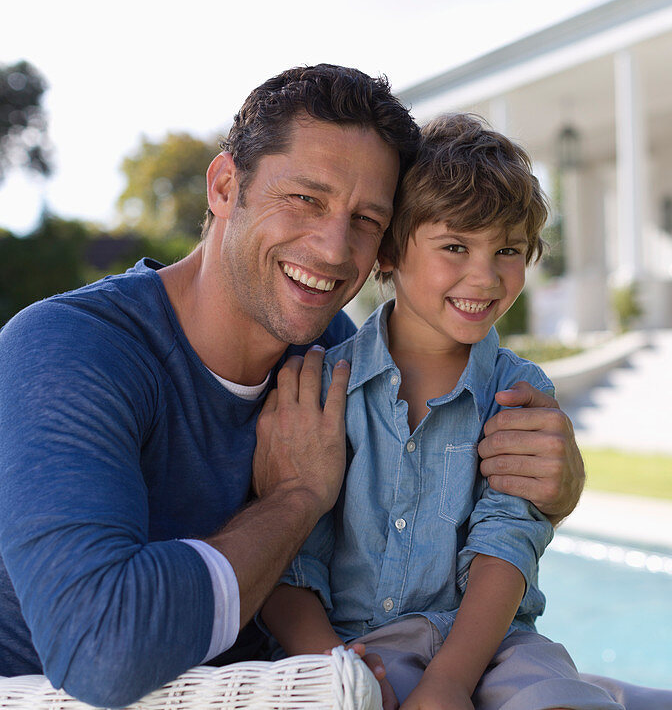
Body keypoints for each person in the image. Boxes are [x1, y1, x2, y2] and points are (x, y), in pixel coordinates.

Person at [0, 65, 584, 707]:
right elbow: (101, 652)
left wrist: (554, 478)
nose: (334, 249)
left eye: (366, 219)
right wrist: (296, 496)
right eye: (305, 200)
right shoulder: (71, 349)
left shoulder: (336, 355)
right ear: (225, 186)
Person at [261, 113, 626, 710]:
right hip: (351, 646)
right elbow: (289, 557)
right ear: (389, 255)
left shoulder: (517, 389)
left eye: (507, 249)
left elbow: (507, 543)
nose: (484, 275)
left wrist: (451, 679)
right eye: (455, 246)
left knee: (561, 697)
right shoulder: (323, 386)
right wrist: (334, 670)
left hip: (490, 647)